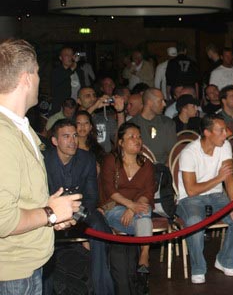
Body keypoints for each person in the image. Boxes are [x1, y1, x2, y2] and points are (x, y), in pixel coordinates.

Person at [0, 38, 80, 293]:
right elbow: (3, 219)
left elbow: (18, 196)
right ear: (25, 78)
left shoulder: (20, 127)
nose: (38, 80)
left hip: (29, 259)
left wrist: (50, 213)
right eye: (36, 73)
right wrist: (50, 213)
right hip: (14, 269)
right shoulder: (4, 135)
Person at [43, 119, 114, 295]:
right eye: (66, 136)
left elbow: (91, 197)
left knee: (100, 227)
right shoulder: (43, 160)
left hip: (81, 211)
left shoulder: (86, 158)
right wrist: (58, 215)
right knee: (42, 233)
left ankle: (102, 290)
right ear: (55, 141)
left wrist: (74, 216)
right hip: (51, 213)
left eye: (74, 135)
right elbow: (40, 197)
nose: (72, 140)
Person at [177, 115, 233, 284]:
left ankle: (225, 260)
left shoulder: (224, 147)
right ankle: (198, 268)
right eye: (221, 131)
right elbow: (191, 190)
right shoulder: (189, 152)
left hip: (216, 196)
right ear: (207, 133)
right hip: (189, 199)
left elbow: (229, 180)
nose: (226, 134)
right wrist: (218, 179)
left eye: (225, 130)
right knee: (195, 221)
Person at [99, 123, 156, 273]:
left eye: (139, 137)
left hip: (139, 207)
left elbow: (149, 192)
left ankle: (144, 254)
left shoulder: (146, 164)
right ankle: (144, 253)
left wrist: (133, 208)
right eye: (131, 137)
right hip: (112, 205)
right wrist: (130, 205)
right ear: (121, 142)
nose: (137, 140)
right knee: (144, 219)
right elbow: (109, 189)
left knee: (144, 211)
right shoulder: (111, 160)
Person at [130, 88, 177, 164]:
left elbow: (172, 153)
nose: (164, 104)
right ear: (149, 102)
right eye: (160, 101)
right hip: (139, 168)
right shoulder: (132, 124)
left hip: (162, 170)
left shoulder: (167, 123)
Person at [51, 46, 84, 115]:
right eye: (66, 55)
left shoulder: (79, 71)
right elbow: (59, 81)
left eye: (72, 55)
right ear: (60, 58)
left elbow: (83, 89)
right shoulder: (56, 72)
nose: (70, 57)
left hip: (76, 109)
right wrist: (72, 68)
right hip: (61, 110)